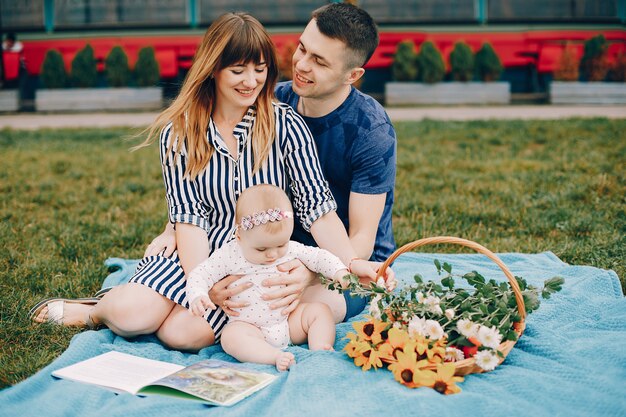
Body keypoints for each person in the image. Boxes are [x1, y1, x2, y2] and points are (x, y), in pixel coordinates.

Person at [30, 12, 387, 352]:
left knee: (183, 334)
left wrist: (351, 265)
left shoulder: (286, 124)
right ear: (213, 69)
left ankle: (160, 307)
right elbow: (190, 219)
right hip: (197, 252)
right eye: (238, 70)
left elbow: (317, 211)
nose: (251, 81)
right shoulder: (179, 134)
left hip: (252, 258)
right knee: (131, 315)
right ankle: (96, 310)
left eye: (260, 70)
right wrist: (203, 282)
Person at [146, 2, 397, 325]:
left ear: (353, 75)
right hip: (271, 247)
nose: (301, 66)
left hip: (342, 259)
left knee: (285, 309)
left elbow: (361, 236)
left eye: (318, 61)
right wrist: (173, 228)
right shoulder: (271, 100)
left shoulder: (371, 130)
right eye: (302, 49)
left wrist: (312, 271)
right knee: (225, 305)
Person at [188, 184, 349, 371]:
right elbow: (201, 273)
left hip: (288, 321)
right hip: (249, 326)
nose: (273, 255)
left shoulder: (291, 248)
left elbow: (319, 257)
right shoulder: (230, 255)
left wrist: (339, 272)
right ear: (239, 236)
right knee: (231, 337)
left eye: (280, 245)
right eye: (261, 249)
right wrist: (198, 294)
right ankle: (273, 356)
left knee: (320, 311)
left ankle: (320, 348)